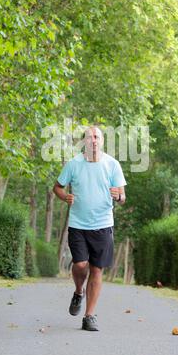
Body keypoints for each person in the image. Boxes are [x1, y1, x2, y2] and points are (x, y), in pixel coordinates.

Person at [53, 126, 126, 331]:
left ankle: (89, 316)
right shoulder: (74, 164)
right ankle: (78, 292)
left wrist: (118, 196)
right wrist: (64, 196)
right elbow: (57, 187)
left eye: (97, 137)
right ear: (83, 141)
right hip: (78, 225)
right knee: (81, 265)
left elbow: (122, 197)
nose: (93, 140)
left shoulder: (112, 165)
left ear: (102, 141)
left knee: (96, 269)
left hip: (103, 225)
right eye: (89, 137)